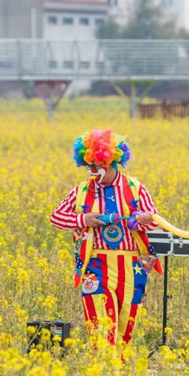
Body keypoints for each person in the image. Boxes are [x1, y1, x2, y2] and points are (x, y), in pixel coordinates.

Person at [50, 130, 162, 347]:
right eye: (88, 166)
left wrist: (142, 220)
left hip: (131, 266)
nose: (92, 172)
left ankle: (116, 374)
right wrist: (84, 219)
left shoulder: (136, 188)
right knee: (100, 325)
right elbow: (56, 217)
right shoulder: (81, 191)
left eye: (97, 166)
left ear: (111, 162)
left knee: (125, 327)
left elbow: (154, 220)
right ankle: (102, 369)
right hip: (96, 265)